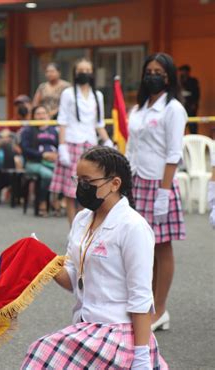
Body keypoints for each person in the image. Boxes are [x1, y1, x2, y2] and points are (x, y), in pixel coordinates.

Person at [22, 146, 167, 370]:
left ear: (115, 184)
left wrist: (141, 358)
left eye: (88, 181)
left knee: (41, 355)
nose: (81, 187)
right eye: (78, 180)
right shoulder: (82, 219)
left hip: (119, 330)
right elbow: (72, 280)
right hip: (86, 326)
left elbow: (141, 297)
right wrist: (44, 258)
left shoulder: (133, 227)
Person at [126, 53, 187, 331]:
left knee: (162, 247)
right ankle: (146, 305)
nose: (153, 75)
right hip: (138, 181)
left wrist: (164, 193)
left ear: (169, 76)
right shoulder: (138, 109)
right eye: (148, 70)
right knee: (143, 247)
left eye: (159, 72)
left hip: (160, 183)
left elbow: (173, 153)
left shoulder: (173, 109)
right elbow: (130, 148)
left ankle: (161, 309)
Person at [49, 58, 113, 225]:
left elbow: (99, 124)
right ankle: (73, 228)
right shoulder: (68, 93)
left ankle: (85, 226)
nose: (84, 73)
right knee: (71, 192)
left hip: (90, 145)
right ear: (75, 73)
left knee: (91, 188)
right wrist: (61, 146)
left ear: (92, 72)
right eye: (80, 70)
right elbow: (62, 121)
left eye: (87, 70)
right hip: (71, 142)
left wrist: (108, 142)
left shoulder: (97, 95)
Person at [20, 105, 58, 216]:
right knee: (47, 175)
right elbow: (25, 149)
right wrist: (43, 155)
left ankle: (57, 200)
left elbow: (61, 145)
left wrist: (56, 155)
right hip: (33, 163)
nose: (41, 116)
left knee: (66, 174)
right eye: (38, 114)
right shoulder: (28, 130)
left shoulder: (54, 130)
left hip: (53, 162)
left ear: (48, 115)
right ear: (33, 116)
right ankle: (42, 201)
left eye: (43, 113)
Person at [178, 64, 200, 134]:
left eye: (183, 71)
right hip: (181, 106)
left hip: (190, 106)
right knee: (181, 125)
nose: (182, 73)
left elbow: (196, 93)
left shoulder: (193, 81)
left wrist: (194, 104)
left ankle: (194, 141)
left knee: (192, 125)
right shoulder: (179, 81)